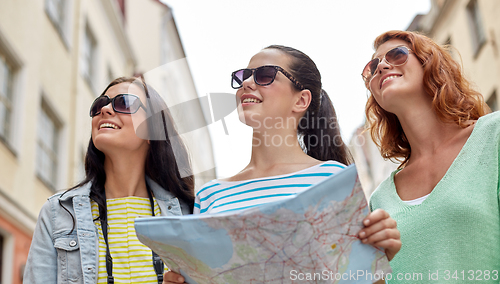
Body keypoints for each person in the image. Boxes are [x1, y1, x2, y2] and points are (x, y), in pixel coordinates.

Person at [165, 45, 401, 284]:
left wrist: (376, 257)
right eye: (243, 76)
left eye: (264, 75)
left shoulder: (333, 178)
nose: (247, 83)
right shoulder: (210, 195)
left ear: (301, 100)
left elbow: (360, 278)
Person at [24, 77, 195, 284]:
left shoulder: (190, 215)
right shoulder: (57, 213)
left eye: (124, 102)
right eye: (99, 104)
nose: (105, 109)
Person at [363, 30, 500, 282]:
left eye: (396, 55)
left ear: (430, 64)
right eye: (373, 65)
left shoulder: (495, 136)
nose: (381, 66)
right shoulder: (379, 200)